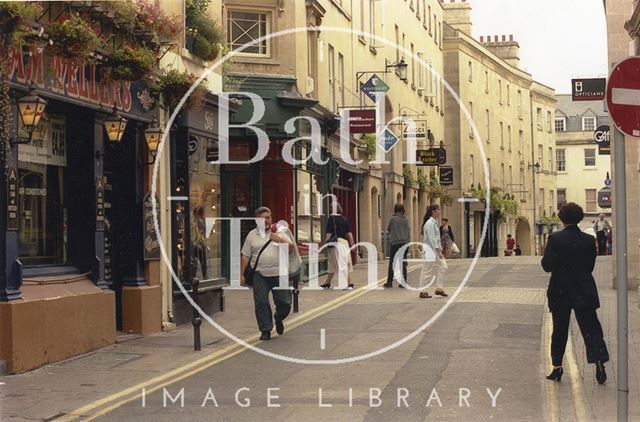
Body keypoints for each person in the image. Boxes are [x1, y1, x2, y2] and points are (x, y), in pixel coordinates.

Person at [542, 202, 609, 384]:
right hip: (584, 290)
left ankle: (557, 367)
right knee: (591, 328)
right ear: (579, 218)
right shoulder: (588, 240)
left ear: (561, 219)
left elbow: (546, 266)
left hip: (560, 291)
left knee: (559, 329)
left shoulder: (555, 239)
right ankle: (599, 361)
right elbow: (590, 266)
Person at [241, 207, 294, 341]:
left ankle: (278, 318)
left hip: (279, 273)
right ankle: (265, 329)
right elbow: (245, 256)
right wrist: (241, 274)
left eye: (268, 217)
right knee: (261, 302)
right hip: (260, 274)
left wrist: (279, 240)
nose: (265, 220)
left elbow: (291, 249)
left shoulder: (280, 231)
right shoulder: (252, 235)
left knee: (285, 303)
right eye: (262, 218)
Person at [321, 203, 355, 289]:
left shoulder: (331, 219)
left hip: (335, 244)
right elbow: (349, 233)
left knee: (341, 263)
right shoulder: (344, 219)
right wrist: (352, 244)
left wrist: (325, 244)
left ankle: (349, 282)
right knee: (332, 264)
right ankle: (327, 282)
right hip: (344, 243)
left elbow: (329, 233)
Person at [418, 204, 448, 299]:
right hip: (430, 251)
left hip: (434, 251)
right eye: (438, 209)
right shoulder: (430, 224)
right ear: (433, 211)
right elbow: (432, 239)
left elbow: (437, 238)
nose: (439, 211)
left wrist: (440, 249)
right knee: (427, 271)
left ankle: (439, 289)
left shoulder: (435, 222)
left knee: (443, 266)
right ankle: (423, 291)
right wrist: (439, 251)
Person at [385, 203, 411, 288]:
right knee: (402, 262)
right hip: (405, 243)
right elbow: (408, 231)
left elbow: (388, 228)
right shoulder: (406, 219)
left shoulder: (393, 219)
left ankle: (389, 282)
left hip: (395, 243)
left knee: (392, 262)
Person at [191, 205, 208, 279]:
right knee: (200, 259)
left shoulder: (197, 221)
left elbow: (200, 233)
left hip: (197, 243)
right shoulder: (195, 222)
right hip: (196, 243)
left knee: (197, 259)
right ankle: (203, 274)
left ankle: (197, 275)